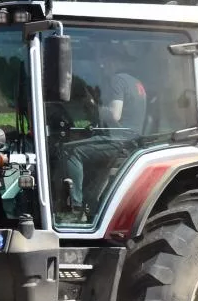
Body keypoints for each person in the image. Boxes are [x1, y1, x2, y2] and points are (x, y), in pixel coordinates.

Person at [57, 54, 149, 217]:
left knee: (70, 150)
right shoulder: (136, 82)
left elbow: (115, 115)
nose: (102, 65)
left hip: (118, 140)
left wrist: (93, 105)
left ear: (116, 60)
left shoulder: (117, 80)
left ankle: (75, 206)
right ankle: (92, 206)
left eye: (105, 60)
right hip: (131, 139)